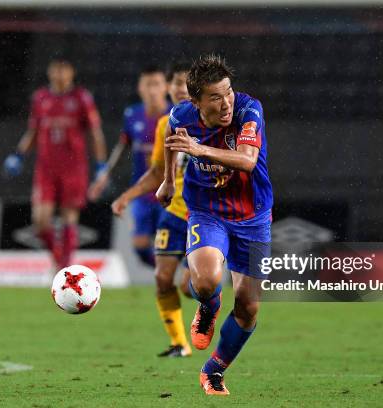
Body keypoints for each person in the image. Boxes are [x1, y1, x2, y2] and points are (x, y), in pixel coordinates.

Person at [157, 55, 273, 395]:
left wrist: (200, 150)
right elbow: (171, 136)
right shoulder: (182, 115)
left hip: (254, 218)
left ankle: (213, 370)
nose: (226, 103)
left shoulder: (248, 111)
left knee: (249, 306)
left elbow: (249, 161)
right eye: (215, 97)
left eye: (228, 92)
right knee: (206, 282)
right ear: (196, 101)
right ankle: (208, 307)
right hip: (208, 212)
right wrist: (168, 182)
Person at [111, 61, 193, 358]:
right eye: (177, 82)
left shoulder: (212, 120)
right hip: (174, 214)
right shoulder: (164, 124)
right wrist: (126, 196)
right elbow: (157, 171)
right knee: (162, 278)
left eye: (187, 82)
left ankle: (209, 304)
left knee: (190, 287)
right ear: (168, 88)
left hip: (205, 216)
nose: (181, 88)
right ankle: (180, 343)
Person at [3, 59, 107, 269]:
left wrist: (101, 165)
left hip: (74, 168)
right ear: (50, 72)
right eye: (56, 70)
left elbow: (95, 133)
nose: (60, 75)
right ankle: (60, 261)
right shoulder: (40, 98)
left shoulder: (81, 98)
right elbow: (33, 131)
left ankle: (64, 267)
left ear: (71, 72)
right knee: (40, 221)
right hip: (46, 169)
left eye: (64, 70)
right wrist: (19, 155)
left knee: (69, 216)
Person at [89, 65, 170, 267]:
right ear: (140, 88)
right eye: (147, 84)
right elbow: (122, 146)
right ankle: (165, 273)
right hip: (141, 191)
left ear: (165, 87)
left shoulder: (176, 114)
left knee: (167, 246)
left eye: (156, 84)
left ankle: (172, 275)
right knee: (140, 246)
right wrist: (104, 175)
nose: (152, 90)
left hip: (171, 192)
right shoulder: (132, 115)